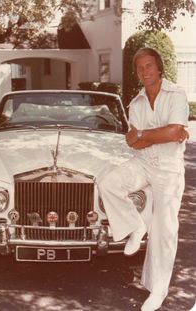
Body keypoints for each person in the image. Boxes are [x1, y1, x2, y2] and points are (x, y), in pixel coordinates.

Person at [97, 47, 189, 311]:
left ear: (159, 68)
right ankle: (135, 226)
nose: (144, 71)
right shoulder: (136, 102)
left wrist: (148, 135)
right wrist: (163, 133)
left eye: (149, 66)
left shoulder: (176, 94)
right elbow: (133, 143)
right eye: (140, 68)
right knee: (109, 182)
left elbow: (171, 133)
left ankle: (158, 290)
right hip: (143, 163)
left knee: (164, 230)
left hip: (169, 171)